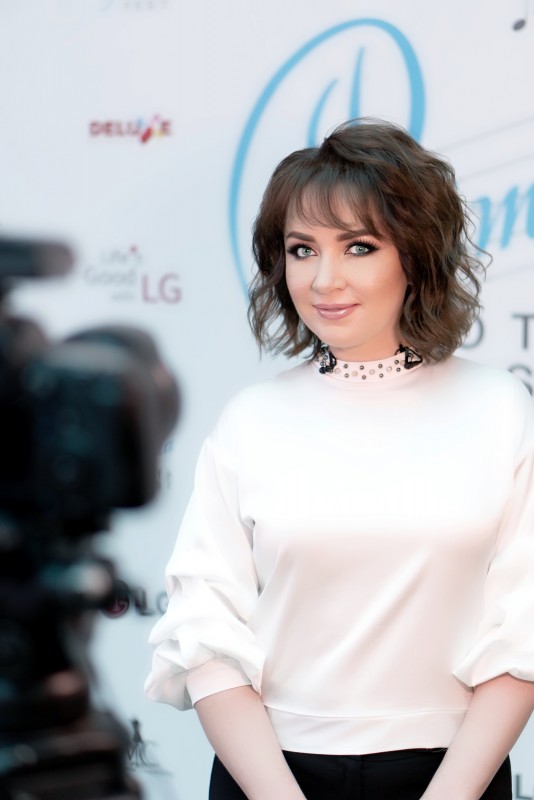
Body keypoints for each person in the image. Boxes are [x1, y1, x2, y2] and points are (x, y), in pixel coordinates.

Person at [145, 118, 534, 800]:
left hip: (452, 776)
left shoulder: (500, 409)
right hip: (269, 776)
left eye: (358, 246)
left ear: (416, 254)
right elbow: (205, 631)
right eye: (302, 249)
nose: (325, 279)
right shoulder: (251, 420)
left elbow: (524, 627)